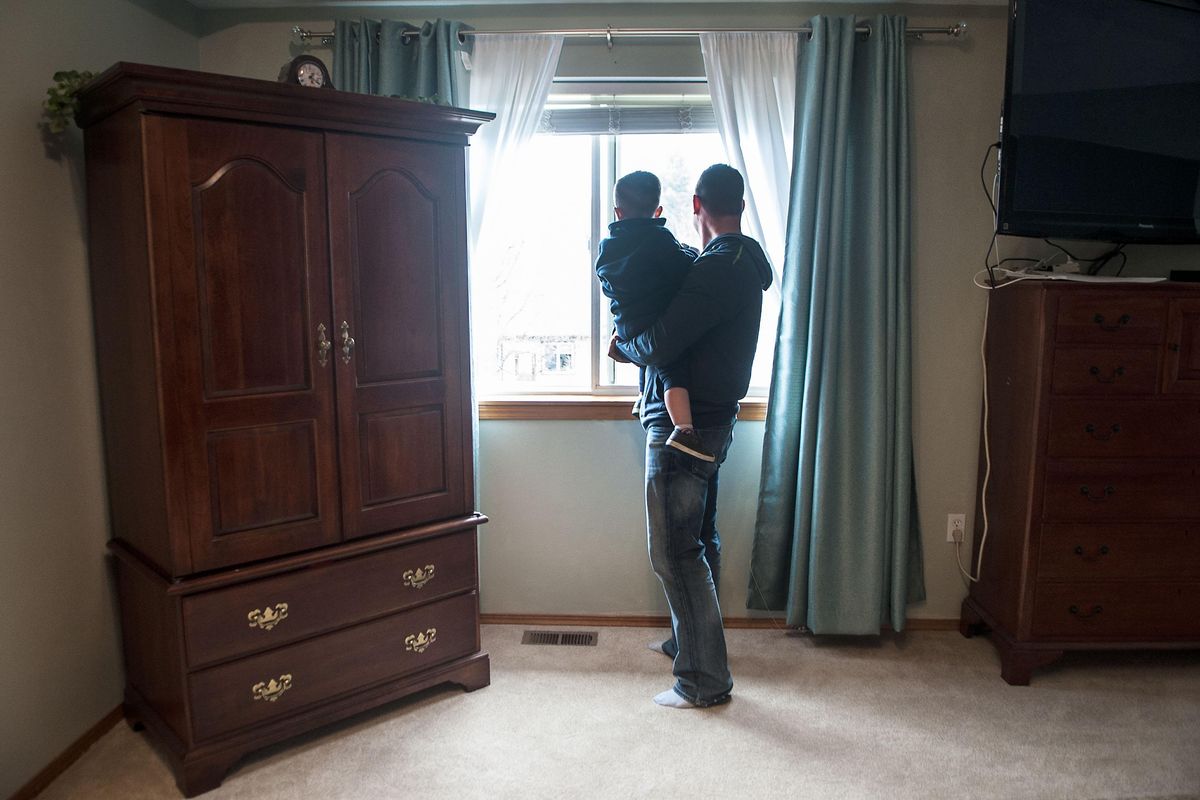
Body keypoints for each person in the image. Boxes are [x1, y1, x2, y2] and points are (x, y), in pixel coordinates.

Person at [610, 163, 772, 709]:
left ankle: (703, 678)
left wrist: (623, 344)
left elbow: (656, 343)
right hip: (710, 419)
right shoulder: (737, 261)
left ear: (696, 205)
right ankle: (692, 642)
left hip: (687, 425)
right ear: (740, 205)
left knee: (675, 550)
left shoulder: (718, 267)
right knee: (699, 538)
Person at [594, 170, 712, 461]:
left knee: (649, 361)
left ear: (617, 212)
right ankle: (684, 430)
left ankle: (642, 398)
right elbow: (681, 268)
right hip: (654, 320)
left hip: (625, 322)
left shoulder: (607, 246)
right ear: (657, 210)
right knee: (673, 369)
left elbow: (605, 277)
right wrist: (690, 252)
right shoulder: (660, 239)